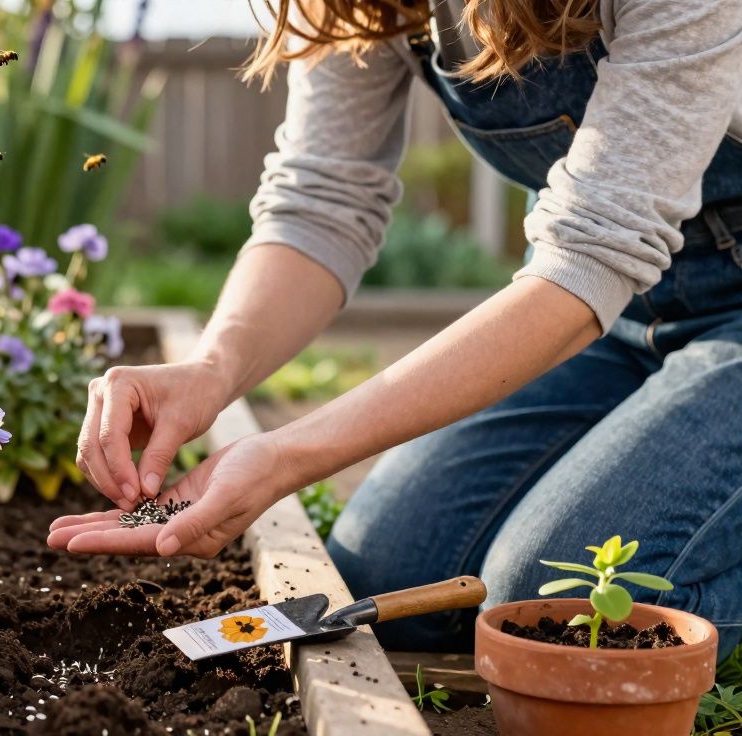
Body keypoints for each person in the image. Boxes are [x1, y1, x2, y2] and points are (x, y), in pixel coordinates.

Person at [48, 0, 742, 659]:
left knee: (560, 603)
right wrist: (210, 371)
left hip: (652, 305)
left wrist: (287, 455)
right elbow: (321, 201)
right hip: (614, 320)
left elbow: (591, 254)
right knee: (387, 572)